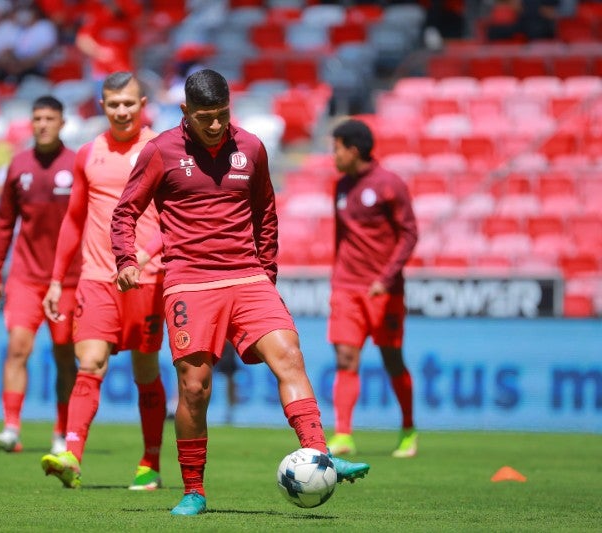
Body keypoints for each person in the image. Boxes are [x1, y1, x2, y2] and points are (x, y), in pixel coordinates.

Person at [109, 69, 369, 516]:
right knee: (194, 388)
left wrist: (266, 273)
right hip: (189, 280)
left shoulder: (250, 147)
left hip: (247, 277)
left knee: (289, 354)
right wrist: (126, 261)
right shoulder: (159, 152)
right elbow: (124, 212)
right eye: (206, 117)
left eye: (223, 114)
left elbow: (266, 212)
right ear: (185, 112)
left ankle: (319, 452)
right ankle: (194, 490)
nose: (215, 125)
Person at [39, 72, 166, 491]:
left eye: (129, 103)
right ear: (102, 105)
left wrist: (145, 254)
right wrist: (58, 279)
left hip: (145, 280)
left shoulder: (161, 149)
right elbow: (74, 220)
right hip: (96, 278)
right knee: (89, 363)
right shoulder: (87, 153)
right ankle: (72, 455)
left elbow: (175, 218)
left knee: (145, 370)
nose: (122, 111)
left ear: (142, 103)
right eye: (113, 104)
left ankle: (150, 463)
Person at [0, 95, 82, 454]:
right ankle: (11, 427)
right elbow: (4, 223)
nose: (42, 124)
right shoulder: (18, 165)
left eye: (49, 118)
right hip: (25, 275)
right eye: (37, 118)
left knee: (64, 354)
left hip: (69, 278)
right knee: (17, 348)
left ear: (62, 123)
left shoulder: (77, 164)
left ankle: (61, 433)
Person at [327, 118, 419, 459]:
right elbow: (342, 236)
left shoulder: (389, 185)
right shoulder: (340, 186)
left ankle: (408, 428)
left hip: (384, 289)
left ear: (353, 150)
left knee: (391, 359)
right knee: (346, 357)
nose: (332, 156)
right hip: (347, 286)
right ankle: (343, 434)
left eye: (336, 149)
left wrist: (387, 277)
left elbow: (409, 234)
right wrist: (336, 277)